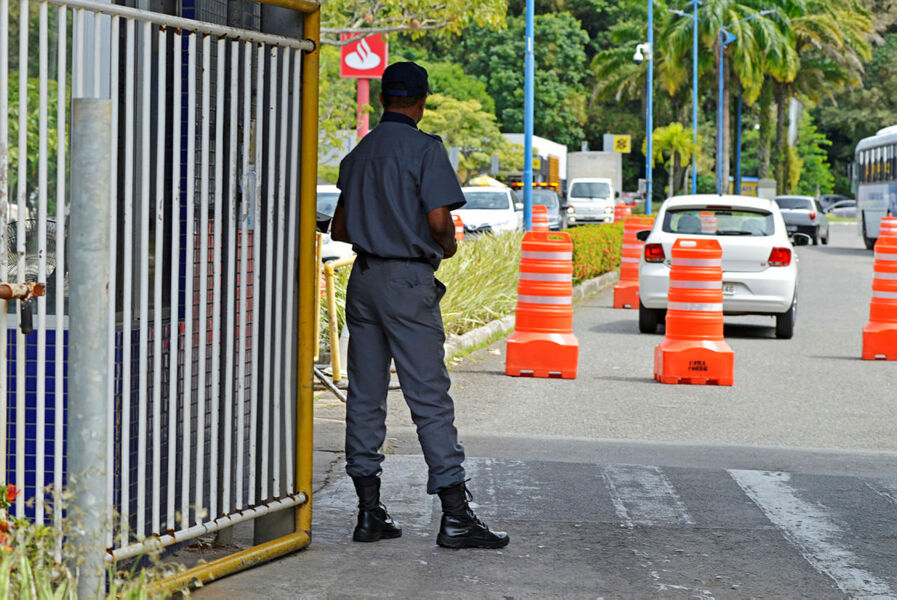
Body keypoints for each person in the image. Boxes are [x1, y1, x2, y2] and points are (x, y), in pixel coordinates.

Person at [330, 61, 509, 550]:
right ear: (422, 101)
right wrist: (447, 244)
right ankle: (455, 516)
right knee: (429, 399)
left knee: (365, 397)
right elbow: (438, 222)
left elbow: (340, 229)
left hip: (362, 280)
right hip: (408, 282)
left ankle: (369, 514)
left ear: (382, 99)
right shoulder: (426, 151)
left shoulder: (360, 153)